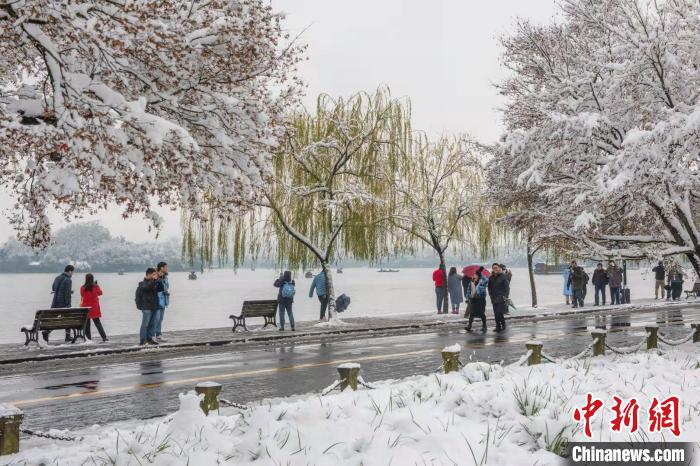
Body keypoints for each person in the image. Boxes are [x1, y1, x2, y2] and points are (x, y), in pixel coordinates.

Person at [43, 264, 75, 343]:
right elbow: (66, 294)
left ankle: (47, 332)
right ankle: (67, 336)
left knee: (54, 319)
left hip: (55, 303)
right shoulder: (68, 280)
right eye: (73, 272)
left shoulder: (57, 278)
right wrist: (68, 305)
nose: (73, 274)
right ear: (70, 271)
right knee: (68, 318)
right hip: (63, 304)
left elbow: (54, 288)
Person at [135, 268, 164, 346]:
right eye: (153, 274)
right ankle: (143, 340)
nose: (155, 276)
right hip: (146, 307)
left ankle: (150, 338)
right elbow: (146, 288)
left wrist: (159, 279)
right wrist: (154, 281)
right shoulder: (142, 283)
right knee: (145, 324)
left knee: (153, 323)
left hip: (155, 306)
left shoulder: (154, 282)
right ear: (148, 274)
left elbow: (161, 289)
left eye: (155, 274)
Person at [80, 274, 107, 342]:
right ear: (92, 279)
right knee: (97, 323)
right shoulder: (95, 286)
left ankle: (89, 339)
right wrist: (96, 285)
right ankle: (104, 337)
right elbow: (100, 293)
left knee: (87, 324)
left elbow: (82, 295)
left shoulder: (82, 287)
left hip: (86, 308)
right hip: (94, 307)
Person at [487, 263, 509, 332]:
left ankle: (500, 325)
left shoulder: (503, 276)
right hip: (494, 298)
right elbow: (489, 287)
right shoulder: (491, 277)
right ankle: (499, 325)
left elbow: (507, 288)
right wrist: (490, 294)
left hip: (501, 298)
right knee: (496, 313)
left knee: (498, 312)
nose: (495, 269)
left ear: (499, 268)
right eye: (493, 268)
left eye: (496, 268)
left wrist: (505, 297)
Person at [155, 261, 170, 342]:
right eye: (166, 267)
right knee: (156, 319)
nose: (167, 269)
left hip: (163, 301)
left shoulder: (165, 277)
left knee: (160, 319)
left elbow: (166, 287)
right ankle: (151, 336)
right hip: (157, 301)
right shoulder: (156, 276)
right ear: (161, 268)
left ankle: (158, 335)